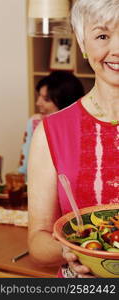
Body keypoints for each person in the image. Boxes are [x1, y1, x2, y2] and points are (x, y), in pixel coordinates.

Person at [27, 0, 119, 278]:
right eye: (102, 36)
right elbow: (38, 240)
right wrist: (69, 251)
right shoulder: (51, 131)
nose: (117, 49)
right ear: (82, 43)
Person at [18, 71, 84, 177]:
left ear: (66, 102)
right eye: (39, 96)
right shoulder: (34, 123)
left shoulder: (86, 128)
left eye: (46, 99)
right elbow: (24, 168)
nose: (38, 103)